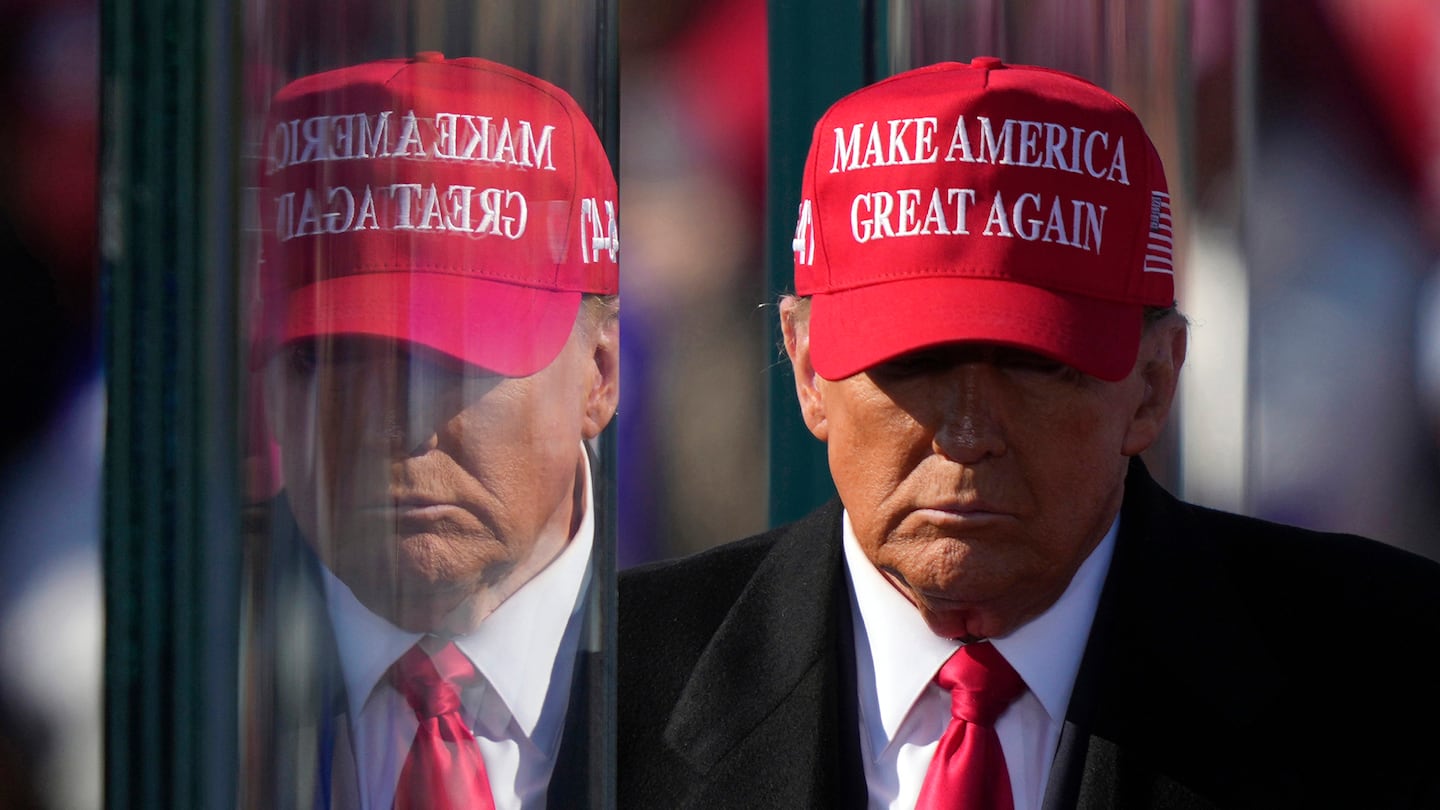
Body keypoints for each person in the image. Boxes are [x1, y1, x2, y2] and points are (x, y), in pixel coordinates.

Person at [617, 57, 1440, 809]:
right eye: (910, 363)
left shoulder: (1393, 679)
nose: (969, 432)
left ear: (1154, 384)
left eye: (1038, 366)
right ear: (806, 370)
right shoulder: (597, 693)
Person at [245, 53, 619, 810]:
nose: (394, 425)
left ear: (599, 373)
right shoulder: (154, 674)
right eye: (333, 359)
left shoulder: (761, 667)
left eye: (454, 361)